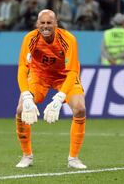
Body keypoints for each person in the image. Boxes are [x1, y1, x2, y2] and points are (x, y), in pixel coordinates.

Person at [15, 9, 87, 169]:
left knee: (80, 108)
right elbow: (22, 67)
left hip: (64, 77)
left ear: (56, 24)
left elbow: (73, 71)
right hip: (39, 76)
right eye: (42, 23)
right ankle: (27, 156)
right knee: (21, 109)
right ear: (37, 24)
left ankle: (73, 158)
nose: (46, 26)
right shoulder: (30, 38)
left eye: (49, 23)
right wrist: (26, 96)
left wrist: (59, 99)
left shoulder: (68, 39)